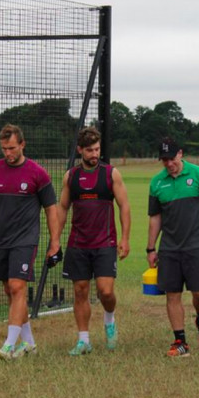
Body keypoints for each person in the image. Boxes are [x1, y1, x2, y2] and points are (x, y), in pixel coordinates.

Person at [0, 124, 60, 360]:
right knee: (10, 290)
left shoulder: (38, 173)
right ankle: (30, 344)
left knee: (17, 287)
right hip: (1, 240)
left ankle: (8, 344)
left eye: (12, 148)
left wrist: (54, 241)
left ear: (23, 144)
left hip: (25, 240)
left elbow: (51, 209)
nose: (8, 153)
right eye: (4, 148)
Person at [147, 137, 199, 357]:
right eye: (164, 160)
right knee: (172, 294)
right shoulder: (156, 183)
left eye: (171, 158)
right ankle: (180, 341)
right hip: (169, 248)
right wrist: (150, 248)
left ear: (180, 154)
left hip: (197, 246)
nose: (168, 164)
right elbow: (155, 218)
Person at [58, 127, 131, 355]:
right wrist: (55, 239)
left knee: (105, 291)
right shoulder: (71, 177)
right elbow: (62, 207)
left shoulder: (111, 174)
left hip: (105, 243)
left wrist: (125, 238)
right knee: (80, 291)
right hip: (78, 243)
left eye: (97, 149)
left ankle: (109, 320)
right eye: (89, 150)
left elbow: (124, 206)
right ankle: (84, 340)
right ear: (80, 150)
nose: (94, 154)